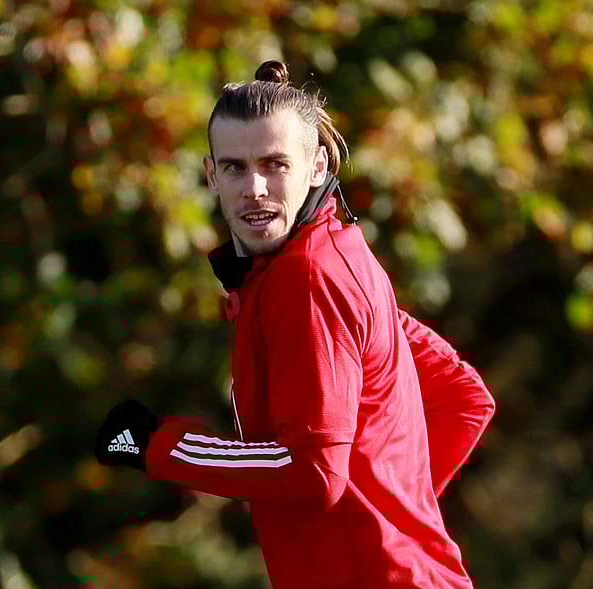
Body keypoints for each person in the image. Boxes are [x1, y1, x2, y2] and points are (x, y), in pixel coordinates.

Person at [94, 60, 496, 588]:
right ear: (211, 175)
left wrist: (154, 446)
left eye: (275, 164)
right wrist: (385, 519)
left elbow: (315, 472)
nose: (255, 188)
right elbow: (463, 397)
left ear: (316, 166)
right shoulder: (336, 264)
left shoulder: (308, 279)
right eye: (235, 168)